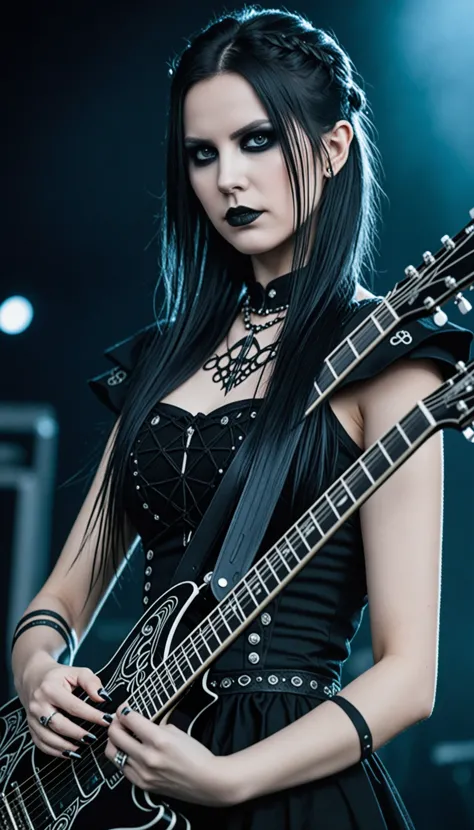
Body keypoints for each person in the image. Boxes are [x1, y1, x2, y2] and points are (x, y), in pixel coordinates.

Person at [10, 6, 473, 830]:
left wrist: (230, 779)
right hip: (122, 776)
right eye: (202, 153)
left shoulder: (387, 362)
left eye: (257, 141)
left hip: (287, 785)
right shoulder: (158, 358)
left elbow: (410, 678)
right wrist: (39, 669)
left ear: (332, 150)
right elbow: (60, 598)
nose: (227, 178)